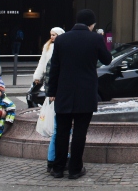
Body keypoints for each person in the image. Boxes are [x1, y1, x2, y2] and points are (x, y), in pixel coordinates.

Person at [47, 9, 111, 179]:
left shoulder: (61, 40)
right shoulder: (95, 38)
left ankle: (58, 168)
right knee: (80, 133)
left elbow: (55, 68)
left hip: (63, 93)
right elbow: (107, 59)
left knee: (61, 132)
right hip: (85, 93)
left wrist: (51, 91)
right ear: (91, 24)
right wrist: (101, 40)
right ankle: (75, 169)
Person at [30, 27, 64, 107]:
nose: (51, 37)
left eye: (54, 35)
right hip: (47, 75)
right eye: (51, 35)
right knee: (49, 96)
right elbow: (42, 62)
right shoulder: (47, 46)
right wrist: (37, 76)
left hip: (58, 75)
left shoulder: (62, 46)